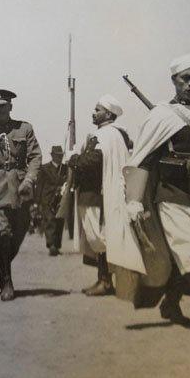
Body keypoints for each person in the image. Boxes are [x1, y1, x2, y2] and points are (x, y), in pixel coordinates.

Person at [118, 54, 190, 336]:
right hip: (172, 194)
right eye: (185, 78)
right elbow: (144, 158)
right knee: (189, 247)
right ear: (174, 80)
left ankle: (170, 304)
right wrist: (134, 199)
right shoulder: (160, 116)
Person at [0, 89, 41, 302]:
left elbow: (35, 157)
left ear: (10, 107)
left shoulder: (24, 128)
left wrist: (29, 180)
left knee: (21, 230)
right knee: (3, 235)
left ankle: (3, 263)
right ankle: (6, 280)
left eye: (3, 106)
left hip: (20, 186)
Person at [68, 95, 131, 296]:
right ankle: (102, 280)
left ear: (108, 114)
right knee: (99, 238)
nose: (93, 113)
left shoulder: (104, 135)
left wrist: (74, 159)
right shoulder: (115, 135)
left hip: (94, 195)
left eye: (97, 110)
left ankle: (105, 281)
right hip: (98, 193)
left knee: (98, 238)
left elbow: (93, 161)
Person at [35, 146, 67, 256]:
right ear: (52, 155)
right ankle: (51, 245)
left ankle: (57, 245)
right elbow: (39, 185)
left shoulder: (65, 169)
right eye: (57, 155)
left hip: (60, 200)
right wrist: (37, 202)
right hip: (47, 200)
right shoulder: (44, 168)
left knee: (59, 222)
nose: (59, 157)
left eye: (61, 155)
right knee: (49, 221)